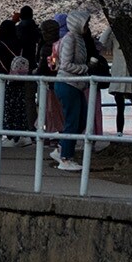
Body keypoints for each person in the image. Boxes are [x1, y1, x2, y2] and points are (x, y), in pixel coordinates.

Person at [50, 11, 93, 170]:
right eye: (85, 24)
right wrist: (86, 68)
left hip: (75, 84)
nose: (88, 27)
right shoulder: (70, 39)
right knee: (73, 121)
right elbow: (66, 64)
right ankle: (65, 158)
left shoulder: (78, 39)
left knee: (81, 120)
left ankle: (62, 148)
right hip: (68, 83)